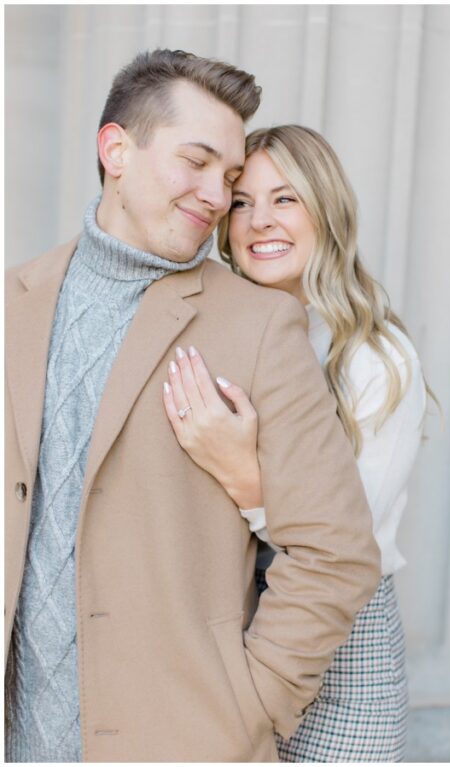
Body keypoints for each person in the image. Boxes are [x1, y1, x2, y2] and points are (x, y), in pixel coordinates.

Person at [4, 50, 380, 762]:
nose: (218, 194)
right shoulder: (13, 300)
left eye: (230, 175)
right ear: (116, 149)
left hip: (181, 740)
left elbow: (336, 551)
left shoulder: (261, 324)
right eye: (198, 161)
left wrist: (250, 707)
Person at [160, 124, 432, 762]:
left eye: (285, 199)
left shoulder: (379, 359)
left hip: (342, 645)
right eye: (243, 203)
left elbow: (344, 542)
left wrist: (246, 479)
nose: (260, 221)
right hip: (229, 627)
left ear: (326, 210)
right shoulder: (215, 335)